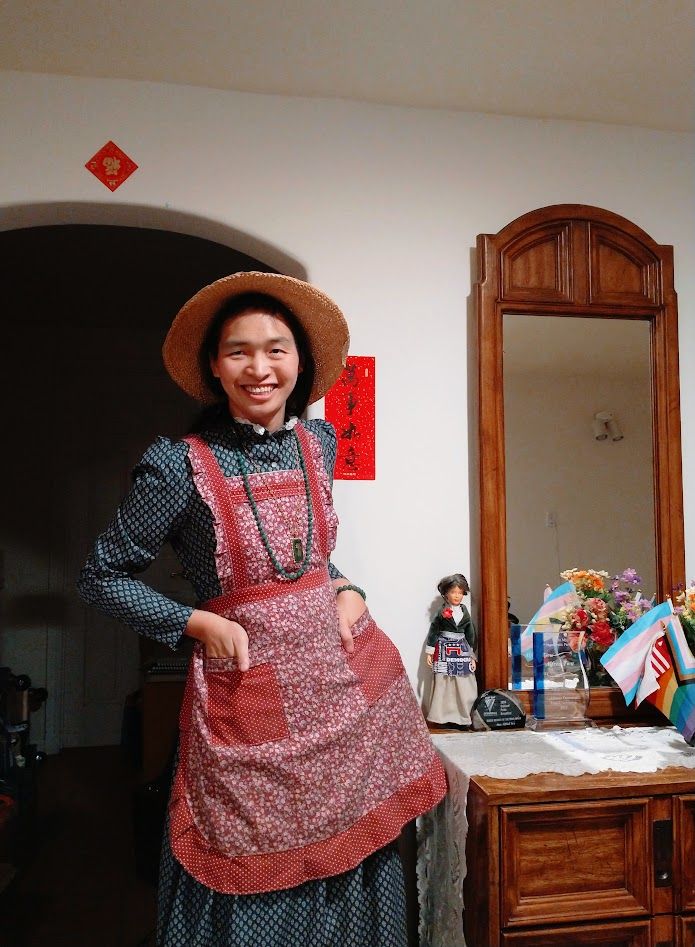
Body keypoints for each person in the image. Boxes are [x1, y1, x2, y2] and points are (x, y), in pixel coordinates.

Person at [78, 271, 447, 947]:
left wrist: (346, 588)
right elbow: (101, 576)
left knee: (352, 851)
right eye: (239, 351)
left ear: (300, 361)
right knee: (250, 855)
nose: (259, 367)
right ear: (213, 367)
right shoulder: (177, 466)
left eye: (275, 348)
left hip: (343, 696)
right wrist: (201, 621)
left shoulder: (319, 444)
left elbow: (305, 559)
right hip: (249, 701)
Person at [425, 573, 478, 727]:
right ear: (446, 594)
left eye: (460, 592)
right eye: (453, 592)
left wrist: (472, 656)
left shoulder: (464, 612)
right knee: (443, 683)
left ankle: (463, 717)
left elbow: (470, 634)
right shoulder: (442, 613)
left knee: (464, 682)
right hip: (443, 649)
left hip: (461, 649)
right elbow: (433, 631)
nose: (457, 596)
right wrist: (430, 651)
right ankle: (442, 717)